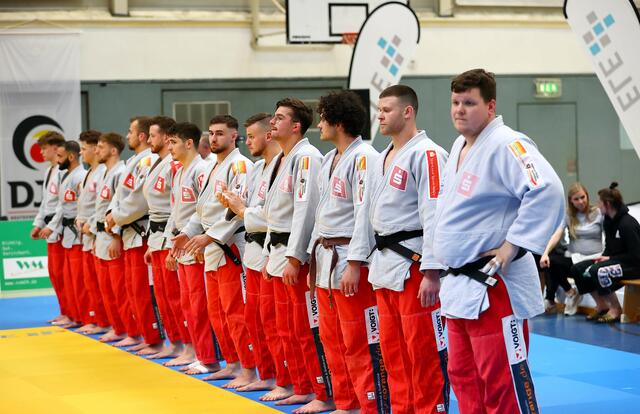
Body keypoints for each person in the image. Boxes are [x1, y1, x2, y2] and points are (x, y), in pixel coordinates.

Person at [431, 69, 564, 414]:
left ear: (490, 106)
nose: (459, 110)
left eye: (469, 103)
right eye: (455, 102)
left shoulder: (508, 143)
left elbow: (547, 189)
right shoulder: (459, 146)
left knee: (500, 378)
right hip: (459, 286)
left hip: (493, 285)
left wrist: (513, 245)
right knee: (463, 376)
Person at [352, 85, 449, 414]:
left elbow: (434, 213)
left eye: (387, 110)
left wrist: (432, 271)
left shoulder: (428, 154)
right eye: (378, 110)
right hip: (383, 266)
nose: (379, 116)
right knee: (393, 352)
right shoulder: (381, 157)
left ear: (408, 112)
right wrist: (358, 260)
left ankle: (430, 409)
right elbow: (367, 214)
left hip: (413, 266)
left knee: (422, 351)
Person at [306, 90, 390, 414]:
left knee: (358, 339)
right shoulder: (330, 159)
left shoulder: (364, 157)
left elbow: (364, 212)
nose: (319, 125)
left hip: (348, 259)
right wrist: (311, 258)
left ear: (338, 122)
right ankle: (346, 401)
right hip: (326, 259)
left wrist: (356, 263)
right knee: (331, 338)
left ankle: (369, 403)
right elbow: (321, 215)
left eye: (323, 118)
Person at [175, 115, 258, 388]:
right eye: (211, 133)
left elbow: (237, 210)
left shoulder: (240, 165)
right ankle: (232, 363)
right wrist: (188, 232)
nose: (213, 138)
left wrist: (209, 236)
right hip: (212, 247)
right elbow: (202, 210)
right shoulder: (214, 166)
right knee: (217, 311)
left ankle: (248, 368)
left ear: (234, 136)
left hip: (230, 246)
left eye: (220, 133)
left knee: (235, 311)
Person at [218, 113, 293, 398]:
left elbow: (274, 215)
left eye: (251, 136)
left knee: (275, 323)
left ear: (268, 135)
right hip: (254, 251)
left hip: (271, 251)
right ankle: (267, 373)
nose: (247, 142)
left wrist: (242, 210)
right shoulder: (258, 168)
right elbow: (247, 208)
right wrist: (234, 204)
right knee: (255, 320)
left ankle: (285, 380)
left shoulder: (283, 166)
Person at [165, 122, 221, 373]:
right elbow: (175, 213)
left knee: (200, 306)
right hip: (183, 243)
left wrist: (201, 241)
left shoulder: (202, 170)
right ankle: (199, 353)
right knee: (188, 304)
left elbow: (206, 211)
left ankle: (209, 358)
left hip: (197, 246)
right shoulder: (179, 172)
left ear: (189, 143)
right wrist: (172, 244)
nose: (169, 147)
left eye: (173, 142)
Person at [105, 116, 163, 353]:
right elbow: (120, 196)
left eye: (130, 132)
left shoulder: (148, 160)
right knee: (132, 290)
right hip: (128, 231)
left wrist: (116, 217)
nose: (127, 135)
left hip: (141, 233)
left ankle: (153, 338)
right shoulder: (134, 161)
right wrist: (112, 215)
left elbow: (139, 200)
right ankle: (142, 334)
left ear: (141, 136)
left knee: (143, 291)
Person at [140, 116, 195, 362]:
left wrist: (171, 240)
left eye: (152, 136)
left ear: (164, 137)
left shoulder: (174, 166)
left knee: (175, 296)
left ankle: (188, 346)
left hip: (171, 235)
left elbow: (178, 207)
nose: (149, 140)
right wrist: (153, 243)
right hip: (158, 235)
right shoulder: (159, 164)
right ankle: (174, 342)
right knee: (163, 296)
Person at [571, 182, 640, 323]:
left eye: (599, 202)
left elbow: (636, 256)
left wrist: (609, 259)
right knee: (578, 269)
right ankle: (601, 305)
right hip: (617, 260)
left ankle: (615, 309)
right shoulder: (608, 221)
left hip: (634, 266)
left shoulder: (627, 224)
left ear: (607, 204)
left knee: (599, 271)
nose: (597, 206)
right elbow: (609, 247)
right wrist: (604, 257)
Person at [40, 141, 87, 329]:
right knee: (67, 278)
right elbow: (60, 206)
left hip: (78, 232)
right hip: (67, 232)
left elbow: (83, 207)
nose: (57, 160)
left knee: (78, 280)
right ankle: (71, 313)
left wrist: (53, 227)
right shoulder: (66, 175)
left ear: (71, 156)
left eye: (60, 156)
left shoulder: (80, 176)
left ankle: (83, 316)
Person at [540, 182, 604, 315]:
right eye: (576, 199)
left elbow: (608, 234)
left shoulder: (598, 212)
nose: (581, 202)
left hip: (595, 257)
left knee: (576, 269)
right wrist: (545, 253)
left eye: (583, 197)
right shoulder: (568, 215)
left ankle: (551, 299)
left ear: (587, 196)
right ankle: (570, 292)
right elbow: (557, 234)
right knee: (550, 261)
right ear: (571, 201)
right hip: (575, 258)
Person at [93, 132, 131, 343]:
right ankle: (117, 327)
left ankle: (126, 329)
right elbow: (100, 208)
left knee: (119, 289)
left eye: (101, 147)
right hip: (101, 235)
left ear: (113, 150)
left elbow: (121, 207)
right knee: (106, 289)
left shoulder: (120, 173)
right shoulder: (105, 173)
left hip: (113, 235)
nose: (97, 150)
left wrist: (117, 236)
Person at [76, 130, 110, 335]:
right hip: (87, 232)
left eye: (84, 148)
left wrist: (92, 226)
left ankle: (105, 321)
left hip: (97, 232)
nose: (81, 153)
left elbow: (102, 206)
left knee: (100, 283)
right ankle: (98, 319)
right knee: (90, 282)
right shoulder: (90, 173)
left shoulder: (103, 173)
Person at [31, 132, 68, 326]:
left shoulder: (64, 171)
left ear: (55, 148)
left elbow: (64, 205)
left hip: (60, 229)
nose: (42, 152)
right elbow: (46, 202)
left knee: (64, 275)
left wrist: (52, 226)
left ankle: (71, 313)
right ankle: (64, 311)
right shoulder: (49, 171)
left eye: (44, 148)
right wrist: (38, 224)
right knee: (55, 274)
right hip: (49, 225)